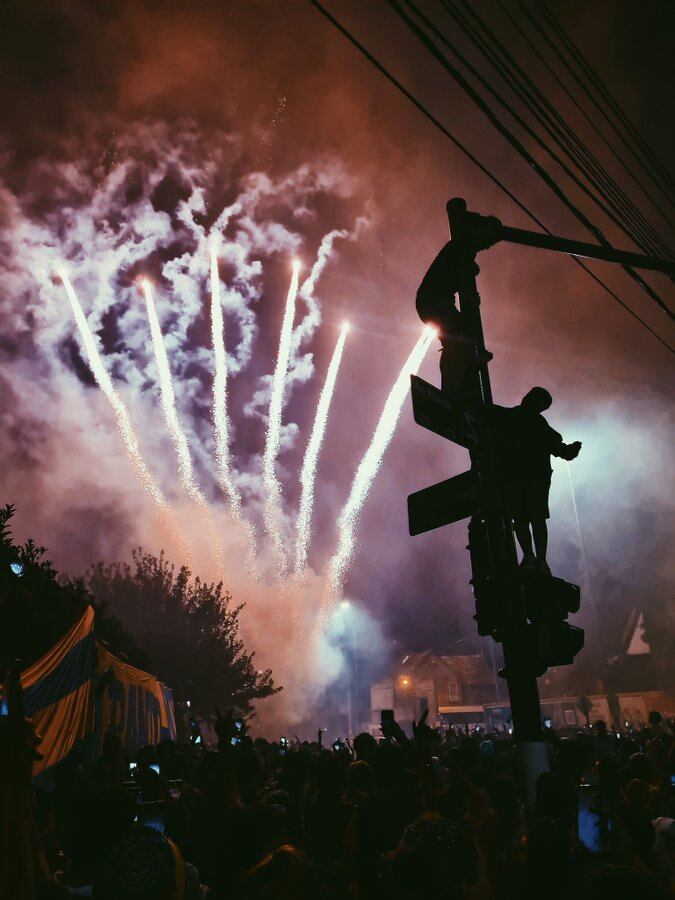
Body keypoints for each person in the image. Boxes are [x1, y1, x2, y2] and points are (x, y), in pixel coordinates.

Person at [492, 387, 581, 573]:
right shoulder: (537, 425)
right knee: (532, 519)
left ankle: (534, 558)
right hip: (530, 479)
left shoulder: (510, 418)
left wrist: (570, 450)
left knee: (526, 519)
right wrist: (571, 450)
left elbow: (561, 449)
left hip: (520, 479)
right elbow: (561, 450)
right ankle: (537, 559)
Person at [416, 241, 492, 397]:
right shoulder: (463, 248)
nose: (488, 246)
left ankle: (455, 381)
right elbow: (462, 274)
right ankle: (451, 390)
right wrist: (470, 295)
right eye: (491, 240)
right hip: (433, 302)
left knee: (459, 335)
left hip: (433, 302)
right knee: (457, 338)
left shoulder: (463, 250)